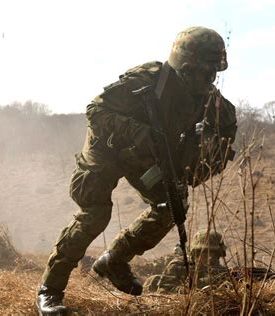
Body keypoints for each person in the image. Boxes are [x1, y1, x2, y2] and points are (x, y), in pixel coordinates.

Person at [36, 26, 237, 315]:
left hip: (143, 156)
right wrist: (138, 131)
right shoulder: (147, 80)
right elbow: (95, 111)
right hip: (107, 147)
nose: (210, 79)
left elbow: (227, 124)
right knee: (95, 214)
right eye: (203, 72)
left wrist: (210, 152)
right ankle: (50, 291)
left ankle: (115, 259)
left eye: (213, 73)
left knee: (171, 206)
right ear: (185, 66)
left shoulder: (207, 99)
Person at [144, 229, 228, 293]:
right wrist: (194, 289)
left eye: (214, 254)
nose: (210, 258)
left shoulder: (220, 270)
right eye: (205, 253)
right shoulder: (179, 265)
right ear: (196, 253)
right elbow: (164, 290)